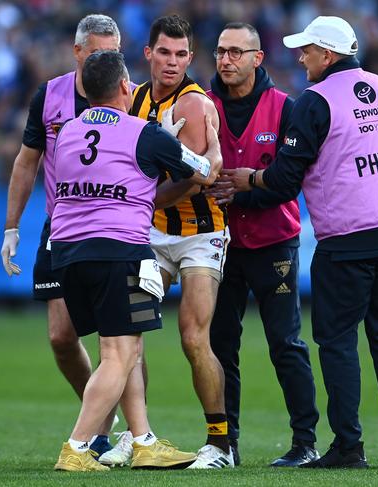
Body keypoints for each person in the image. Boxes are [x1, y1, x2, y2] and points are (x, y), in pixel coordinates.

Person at [222, 15, 378, 469]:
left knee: (337, 339)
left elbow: (282, 182)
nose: (301, 57)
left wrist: (249, 178)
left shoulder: (314, 103)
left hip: (349, 237)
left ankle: (348, 447)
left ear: (329, 54)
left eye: (308, 50)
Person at [49, 50, 221, 472]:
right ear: (126, 85)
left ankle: (143, 441)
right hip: (118, 251)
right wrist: (211, 144)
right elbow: (202, 171)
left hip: (68, 253)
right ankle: (77, 447)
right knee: (119, 355)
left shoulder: (69, 130)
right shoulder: (142, 132)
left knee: (127, 347)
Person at [0, 14, 121, 457]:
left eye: (112, 54)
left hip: (115, 226)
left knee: (120, 337)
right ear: (77, 52)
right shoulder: (49, 96)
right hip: (63, 227)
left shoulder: (131, 95)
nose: (104, 62)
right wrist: (12, 226)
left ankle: (109, 435)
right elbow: (27, 161)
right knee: (61, 337)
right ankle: (105, 420)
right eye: (96, 54)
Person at [205, 22, 320, 468]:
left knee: (285, 344)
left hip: (274, 243)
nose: (226, 60)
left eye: (236, 52)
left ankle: (305, 442)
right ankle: (224, 443)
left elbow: (290, 184)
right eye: (220, 51)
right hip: (219, 244)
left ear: (257, 58)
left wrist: (242, 191)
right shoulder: (202, 105)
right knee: (220, 345)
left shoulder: (285, 108)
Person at [127, 14, 234, 469]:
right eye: (164, 53)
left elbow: (195, 181)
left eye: (181, 54)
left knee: (193, 337)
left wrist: (139, 198)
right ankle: (139, 436)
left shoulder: (192, 105)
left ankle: (220, 444)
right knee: (124, 332)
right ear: (149, 53)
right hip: (153, 232)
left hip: (199, 233)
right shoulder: (134, 99)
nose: (172, 63)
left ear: (190, 58)